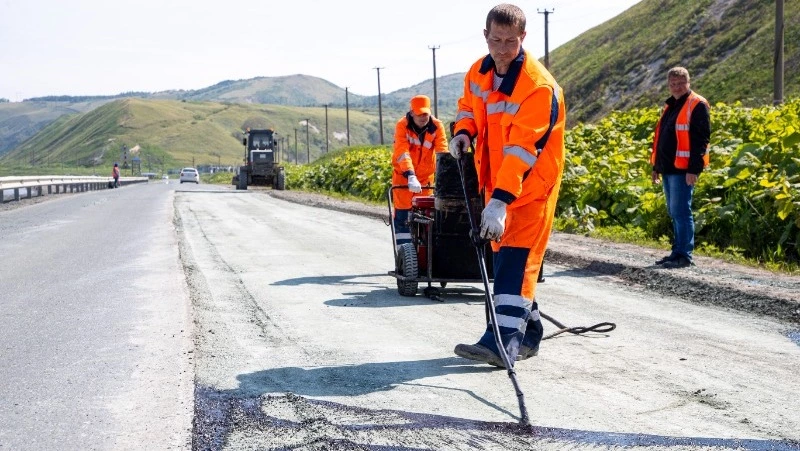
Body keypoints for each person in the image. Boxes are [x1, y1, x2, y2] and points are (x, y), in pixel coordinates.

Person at [448, 3, 566, 367]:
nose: (501, 48)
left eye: (510, 41)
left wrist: (499, 202)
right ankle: (529, 334)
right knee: (504, 264)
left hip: (530, 190)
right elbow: (468, 107)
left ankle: (501, 344)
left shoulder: (537, 87)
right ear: (486, 36)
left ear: (523, 38)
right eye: (496, 40)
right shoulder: (478, 73)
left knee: (517, 261)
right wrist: (463, 132)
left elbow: (520, 152)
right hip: (496, 186)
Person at [650, 67, 711, 269]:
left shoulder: (697, 104)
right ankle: (677, 252)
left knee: (681, 212)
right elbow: (662, 140)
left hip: (683, 170)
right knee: (674, 211)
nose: (676, 87)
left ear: (688, 82)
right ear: (669, 85)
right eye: (673, 84)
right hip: (669, 168)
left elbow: (701, 140)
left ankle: (684, 255)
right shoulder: (672, 105)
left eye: (680, 83)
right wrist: (656, 167)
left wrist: (694, 169)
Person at [391, 94, 448, 248]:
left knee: (425, 218)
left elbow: (442, 152)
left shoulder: (436, 126)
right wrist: (410, 175)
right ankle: (404, 254)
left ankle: (422, 254)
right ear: (412, 112)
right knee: (403, 218)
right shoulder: (402, 125)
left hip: (425, 181)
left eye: (426, 114)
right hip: (403, 179)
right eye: (419, 114)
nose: (423, 117)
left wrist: (445, 177)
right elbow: (402, 152)